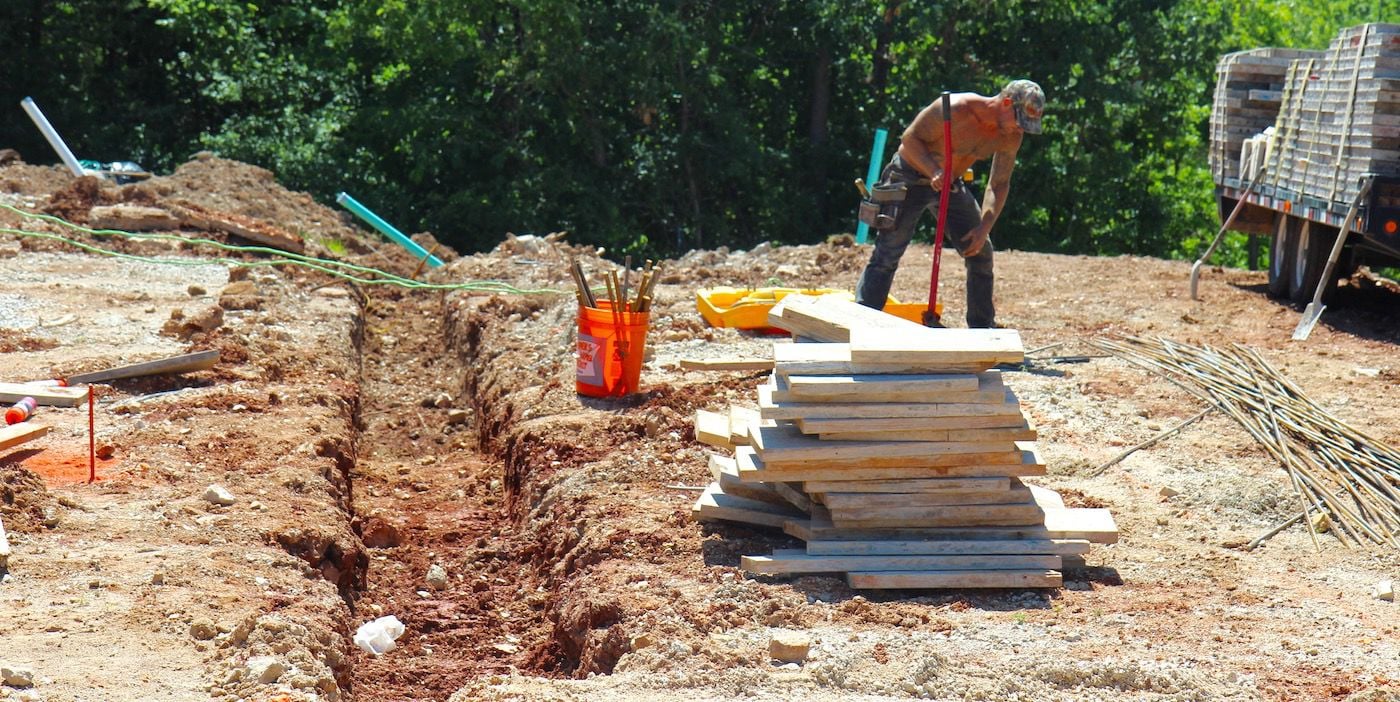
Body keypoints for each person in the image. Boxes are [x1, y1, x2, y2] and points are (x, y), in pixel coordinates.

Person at [855, 79, 1044, 328]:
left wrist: (984, 227)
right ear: (1006, 103)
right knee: (889, 252)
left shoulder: (1010, 136)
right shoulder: (955, 108)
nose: (1018, 130)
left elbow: (999, 183)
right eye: (1018, 121)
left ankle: (982, 328)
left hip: (950, 183)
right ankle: (861, 324)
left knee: (981, 252)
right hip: (909, 175)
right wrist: (933, 170)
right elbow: (909, 141)